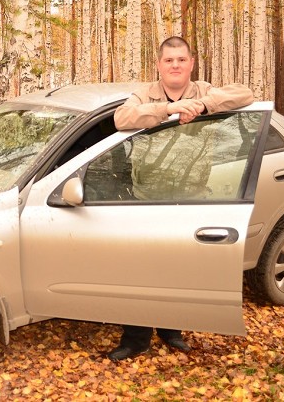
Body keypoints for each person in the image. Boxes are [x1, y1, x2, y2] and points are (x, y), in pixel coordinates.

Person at [107, 35, 253, 361]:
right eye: (169, 60)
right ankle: (136, 338)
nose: (175, 65)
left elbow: (245, 93)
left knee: (180, 270)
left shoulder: (204, 90)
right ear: (159, 65)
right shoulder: (144, 95)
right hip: (149, 197)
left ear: (191, 63)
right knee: (142, 273)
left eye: (181, 60)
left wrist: (203, 105)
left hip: (192, 197)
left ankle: (173, 331)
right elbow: (121, 119)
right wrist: (168, 109)